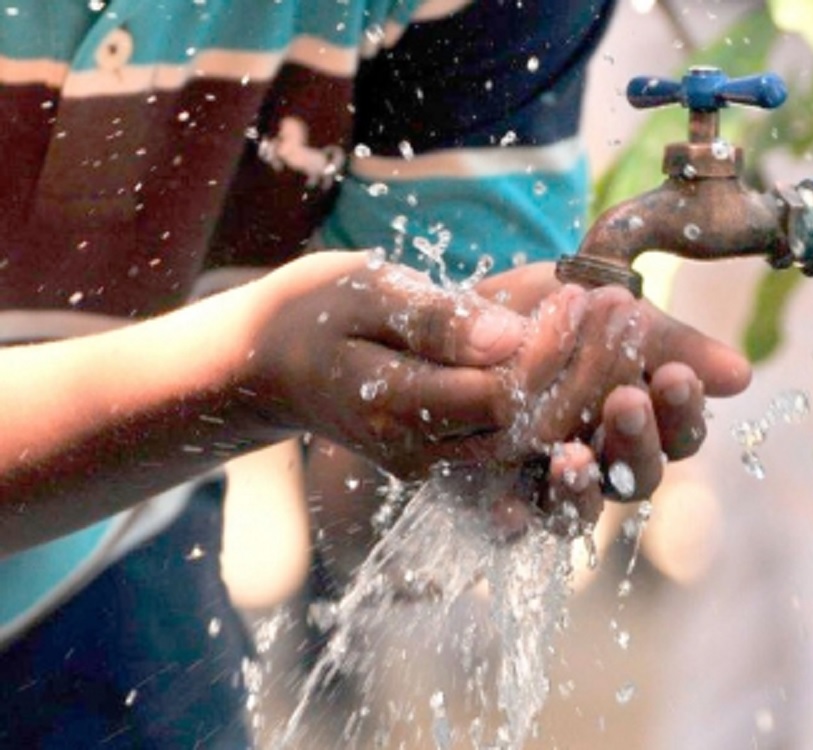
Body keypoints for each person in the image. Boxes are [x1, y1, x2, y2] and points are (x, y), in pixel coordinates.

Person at [0, 1, 751, 746]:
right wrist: (244, 383)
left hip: (109, 542)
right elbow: (258, 372)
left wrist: (475, 412)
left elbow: (361, 501)